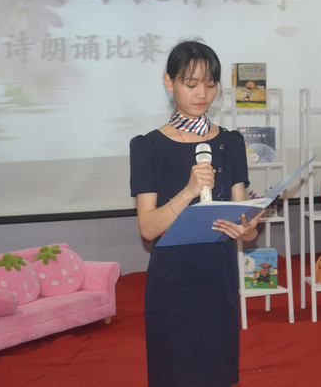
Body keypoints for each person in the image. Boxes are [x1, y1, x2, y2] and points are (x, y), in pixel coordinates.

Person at [129, 40, 261, 387]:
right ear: (169, 82)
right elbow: (148, 227)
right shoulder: (148, 147)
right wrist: (188, 191)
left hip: (218, 275)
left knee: (217, 372)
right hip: (172, 280)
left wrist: (247, 229)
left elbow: (241, 218)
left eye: (210, 84)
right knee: (175, 373)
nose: (202, 93)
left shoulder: (231, 143)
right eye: (191, 84)